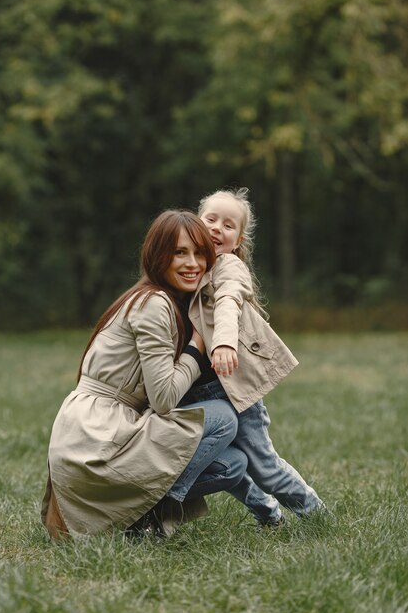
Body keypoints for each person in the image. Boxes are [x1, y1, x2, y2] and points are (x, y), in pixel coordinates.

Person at [41, 210, 255, 540]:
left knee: (233, 464)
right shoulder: (154, 303)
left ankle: (142, 514)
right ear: (158, 256)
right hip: (96, 443)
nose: (193, 263)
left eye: (200, 253)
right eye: (180, 252)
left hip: (97, 433)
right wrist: (197, 348)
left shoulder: (157, 299)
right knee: (224, 419)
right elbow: (164, 399)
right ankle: (151, 518)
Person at [181, 188, 326, 519]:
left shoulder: (228, 267)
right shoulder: (186, 268)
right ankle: (268, 513)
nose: (218, 228)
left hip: (234, 388)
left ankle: (316, 515)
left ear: (238, 241)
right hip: (196, 392)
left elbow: (228, 301)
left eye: (228, 225)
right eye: (211, 219)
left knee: (263, 466)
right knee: (223, 462)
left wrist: (224, 342)